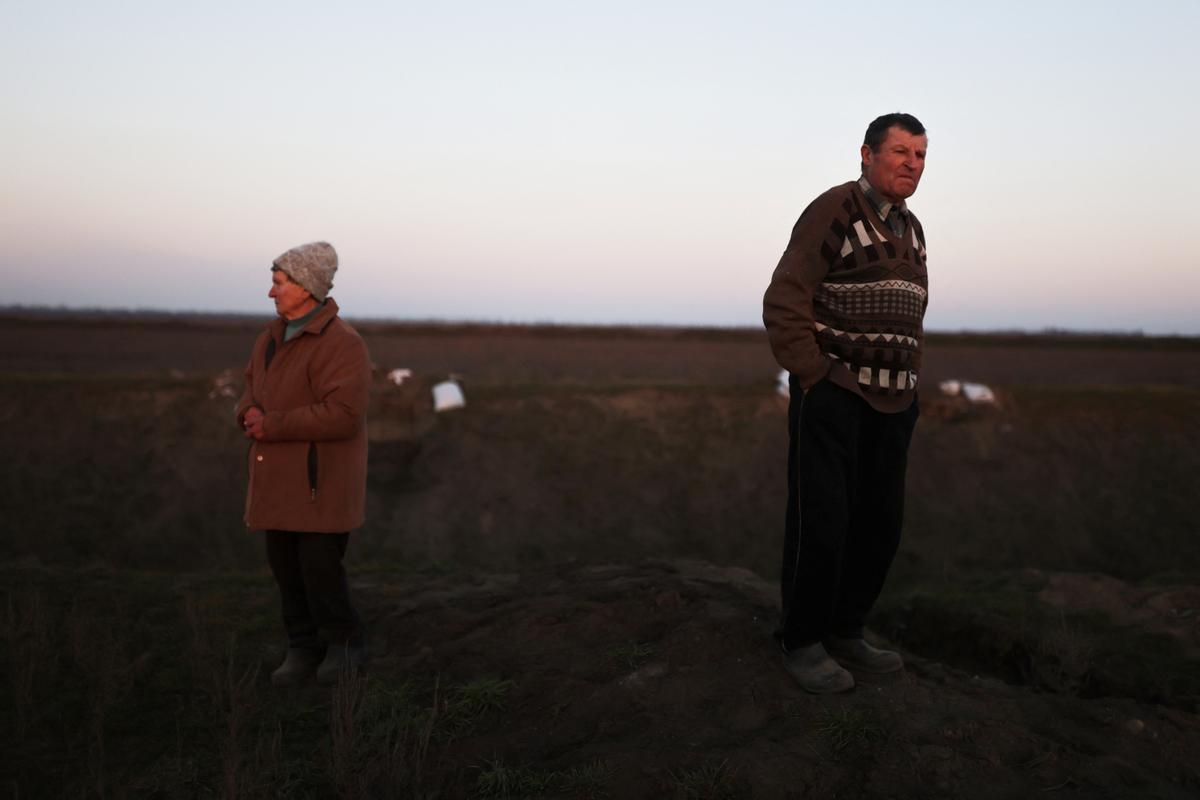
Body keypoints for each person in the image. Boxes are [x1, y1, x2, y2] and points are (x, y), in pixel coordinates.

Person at [762, 113, 929, 693]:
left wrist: (912, 387)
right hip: (835, 392)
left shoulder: (913, 229)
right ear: (866, 154)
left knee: (881, 525)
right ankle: (802, 639)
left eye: (921, 155)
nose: (913, 163)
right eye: (901, 151)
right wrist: (813, 374)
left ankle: (846, 630)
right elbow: (785, 296)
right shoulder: (835, 209)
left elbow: (911, 315)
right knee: (823, 520)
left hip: (894, 403)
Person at [235, 241, 371, 687]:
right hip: (276, 477)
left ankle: (343, 645)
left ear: (306, 287)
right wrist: (247, 414)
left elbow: (344, 417)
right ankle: (301, 647)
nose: (270, 294)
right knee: (285, 568)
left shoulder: (342, 344)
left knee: (319, 570)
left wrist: (271, 425)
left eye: (278, 283)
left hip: (320, 483)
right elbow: (251, 391)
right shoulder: (269, 338)